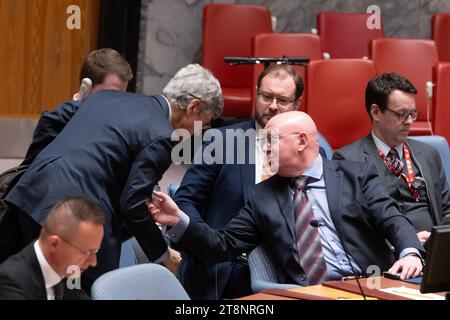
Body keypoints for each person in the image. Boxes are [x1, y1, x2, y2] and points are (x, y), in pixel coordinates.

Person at [4, 63, 223, 290]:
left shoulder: (113, 97)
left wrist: (36, 167)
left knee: (31, 283)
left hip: (30, 193)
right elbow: (133, 205)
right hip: (75, 218)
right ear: (193, 107)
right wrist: (163, 254)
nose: (200, 132)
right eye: (204, 125)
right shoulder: (163, 136)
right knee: (84, 291)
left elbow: (54, 119)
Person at [150, 111, 424, 290]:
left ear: (302, 142)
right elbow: (223, 245)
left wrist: (410, 252)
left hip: (372, 284)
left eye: (271, 140)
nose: (264, 148)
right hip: (312, 293)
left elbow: (392, 217)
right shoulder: (263, 196)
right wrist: (179, 221)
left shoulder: (355, 175)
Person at [173, 64, 304, 299]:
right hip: (228, 264)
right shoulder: (222, 141)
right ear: (257, 94)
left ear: (297, 104)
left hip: (287, 266)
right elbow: (186, 200)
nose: (272, 106)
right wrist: (206, 242)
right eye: (266, 96)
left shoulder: (306, 148)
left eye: (282, 100)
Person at [333, 73, 450, 243]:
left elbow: (447, 209)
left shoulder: (429, 154)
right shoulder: (348, 160)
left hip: (434, 250)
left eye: (413, 114)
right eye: (402, 114)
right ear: (376, 112)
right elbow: (354, 226)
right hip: (388, 254)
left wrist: (440, 239)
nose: (410, 121)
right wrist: (407, 241)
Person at [22, 48, 133, 166]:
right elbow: (31, 174)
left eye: (122, 96)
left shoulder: (123, 128)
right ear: (86, 87)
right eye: (111, 94)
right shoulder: (55, 122)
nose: (116, 102)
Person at [0, 197, 104, 300]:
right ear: (54, 244)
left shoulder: (66, 266)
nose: (93, 262)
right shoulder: (12, 284)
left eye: (95, 251)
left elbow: (75, 293)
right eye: (87, 252)